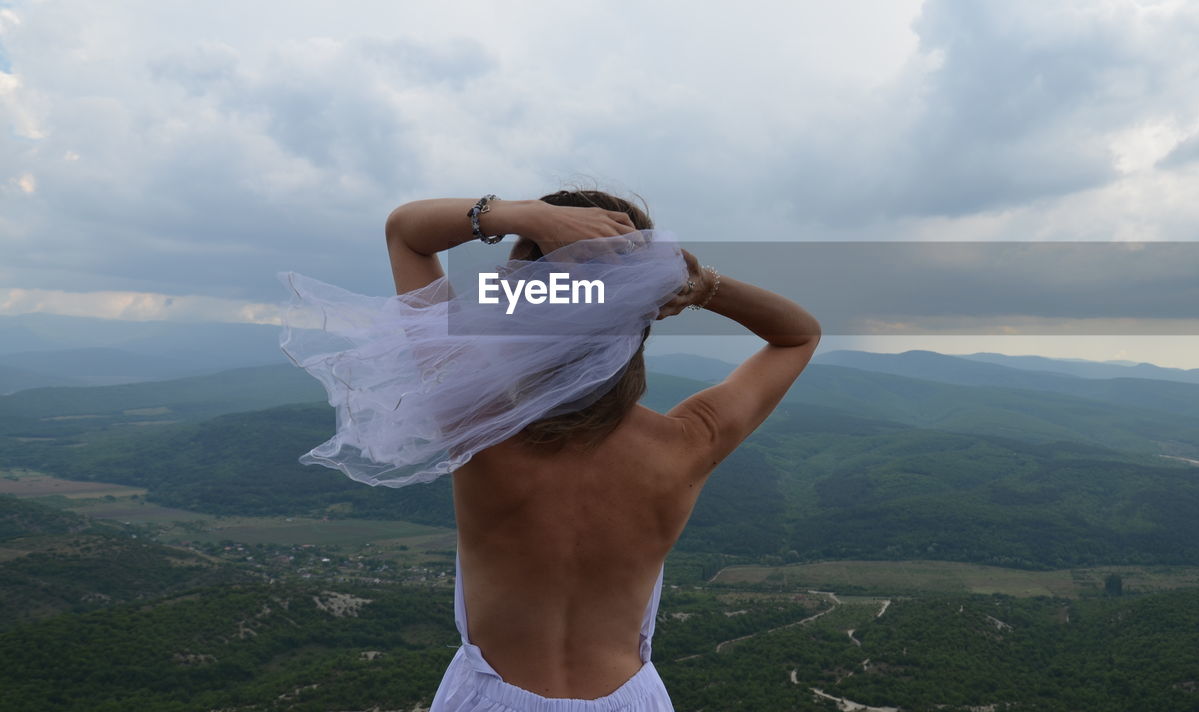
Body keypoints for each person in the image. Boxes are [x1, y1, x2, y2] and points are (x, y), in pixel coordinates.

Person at [282, 189, 821, 711]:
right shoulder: (689, 442)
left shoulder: (474, 419)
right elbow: (799, 334)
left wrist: (524, 217)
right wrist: (699, 285)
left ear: (522, 300)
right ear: (644, 314)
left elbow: (407, 233)